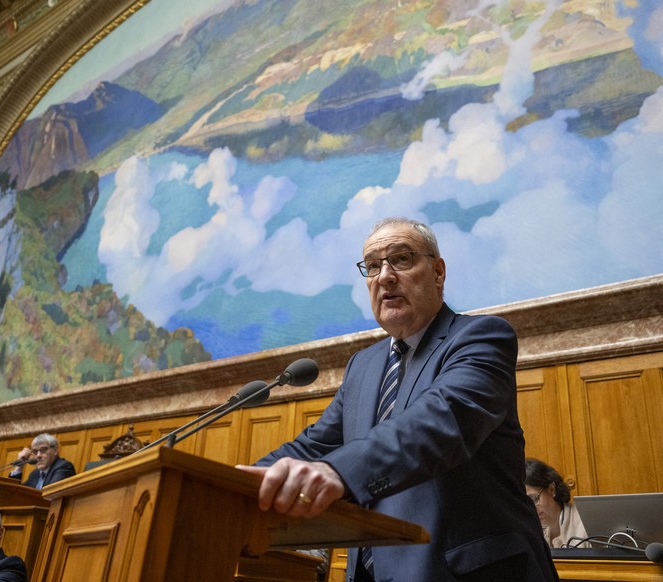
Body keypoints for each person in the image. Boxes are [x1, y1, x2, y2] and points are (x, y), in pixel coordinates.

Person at [237, 217, 558, 581]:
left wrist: (339, 471)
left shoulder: (481, 338)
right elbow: (315, 445)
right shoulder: (364, 365)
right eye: (373, 266)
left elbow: (441, 420)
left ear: (437, 272)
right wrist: (232, 485)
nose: (384, 276)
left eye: (401, 260)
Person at [525, 458, 590, 548]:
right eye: (525, 502)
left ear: (551, 489)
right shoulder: (529, 529)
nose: (531, 508)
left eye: (534, 499)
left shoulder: (585, 523)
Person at [8, 433, 76, 489]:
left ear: (55, 450)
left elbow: (49, 494)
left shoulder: (64, 467)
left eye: (43, 450)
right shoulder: (35, 474)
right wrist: (18, 467)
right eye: (35, 451)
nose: (38, 455)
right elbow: (15, 494)